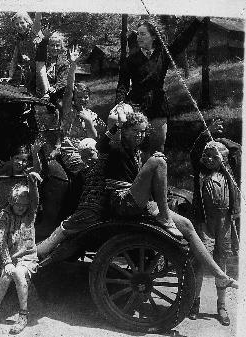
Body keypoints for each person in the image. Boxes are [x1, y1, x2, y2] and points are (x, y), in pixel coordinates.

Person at [96, 105, 238, 290]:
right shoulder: (116, 146)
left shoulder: (137, 152)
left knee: (187, 225)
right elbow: (100, 145)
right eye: (135, 131)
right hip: (122, 202)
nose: (139, 135)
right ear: (125, 130)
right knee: (158, 161)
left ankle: (220, 275)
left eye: (142, 132)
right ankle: (165, 216)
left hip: (140, 202)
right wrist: (118, 126)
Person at [115, 18, 203, 153]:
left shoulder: (163, 53)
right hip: (136, 104)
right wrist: (120, 104)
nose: (139, 37)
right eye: (138, 34)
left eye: (143, 34)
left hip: (158, 104)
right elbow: (123, 85)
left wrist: (197, 21)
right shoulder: (131, 59)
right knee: (136, 148)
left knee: (158, 149)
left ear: (154, 37)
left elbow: (182, 41)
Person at [188, 121, 240, 325]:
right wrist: (205, 134)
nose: (209, 159)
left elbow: (237, 149)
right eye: (206, 155)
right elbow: (194, 153)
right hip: (205, 224)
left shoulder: (230, 172)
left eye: (214, 156)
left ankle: (221, 305)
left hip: (224, 225)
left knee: (222, 263)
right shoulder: (201, 171)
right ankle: (194, 302)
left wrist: (219, 140)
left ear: (224, 159)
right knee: (201, 262)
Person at [36, 111, 106, 261]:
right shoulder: (91, 167)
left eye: (90, 155)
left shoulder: (98, 167)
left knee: (63, 228)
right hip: (91, 207)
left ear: (96, 152)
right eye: (84, 157)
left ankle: (38, 252)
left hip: (91, 210)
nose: (88, 160)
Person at [0, 171, 42, 334]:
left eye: (24, 205)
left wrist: (32, 182)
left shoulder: (31, 212)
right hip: (10, 257)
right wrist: (7, 261)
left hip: (28, 257)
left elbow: (35, 199)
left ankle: (23, 314)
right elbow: (1, 239)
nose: (22, 207)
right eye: (18, 204)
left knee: (19, 275)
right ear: (11, 201)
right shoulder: (4, 214)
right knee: (6, 275)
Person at [5, 12, 42, 90]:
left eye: (22, 23)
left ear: (28, 23)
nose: (19, 26)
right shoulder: (19, 38)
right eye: (17, 24)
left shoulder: (35, 33)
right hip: (30, 74)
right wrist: (10, 76)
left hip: (42, 72)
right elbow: (14, 59)